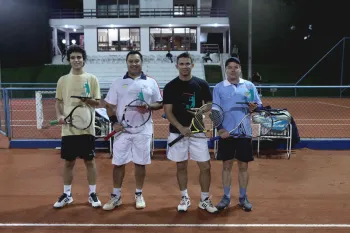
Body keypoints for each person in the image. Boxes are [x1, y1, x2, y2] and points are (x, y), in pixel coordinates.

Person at [103, 51, 163, 211]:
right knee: (118, 163)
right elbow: (109, 105)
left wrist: (149, 106)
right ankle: (116, 196)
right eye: (131, 61)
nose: (134, 64)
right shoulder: (117, 83)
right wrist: (114, 122)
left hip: (143, 131)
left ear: (141, 62)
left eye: (136, 61)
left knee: (140, 163)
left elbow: (159, 103)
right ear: (127, 63)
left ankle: (138, 194)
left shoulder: (151, 82)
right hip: (122, 131)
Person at [163, 52, 218, 214]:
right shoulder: (170, 86)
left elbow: (209, 104)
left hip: (198, 131)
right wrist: (181, 128)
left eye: (188, 64)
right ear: (177, 66)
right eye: (182, 64)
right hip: (177, 132)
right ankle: (184, 197)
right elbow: (168, 111)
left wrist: (202, 109)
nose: (185, 66)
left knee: (205, 167)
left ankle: (204, 199)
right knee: (181, 166)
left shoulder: (202, 84)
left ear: (192, 65)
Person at [53, 45, 102, 208]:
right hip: (68, 129)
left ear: (84, 59)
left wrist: (86, 100)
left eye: (79, 57)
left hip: (87, 128)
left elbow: (97, 103)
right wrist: (59, 116)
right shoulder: (62, 80)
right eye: (73, 58)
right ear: (69, 60)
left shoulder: (92, 78)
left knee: (90, 161)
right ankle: (67, 194)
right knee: (68, 162)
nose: (76, 60)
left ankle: (92, 193)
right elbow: (58, 102)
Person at [212, 57, 262, 212]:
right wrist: (220, 129)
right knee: (226, 165)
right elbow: (215, 111)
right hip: (226, 134)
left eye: (236, 67)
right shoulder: (219, 88)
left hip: (244, 133)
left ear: (240, 69)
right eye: (230, 67)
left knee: (243, 166)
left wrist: (255, 108)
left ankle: (243, 197)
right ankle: (226, 197)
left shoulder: (249, 85)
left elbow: (258, 106)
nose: (233, 70)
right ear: (226, 70)